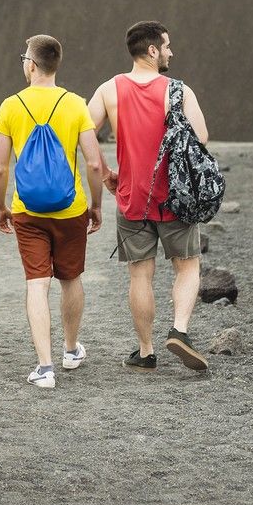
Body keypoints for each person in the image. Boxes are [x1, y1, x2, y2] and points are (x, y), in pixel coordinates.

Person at [88, 21, 210, 373]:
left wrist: (107, 170)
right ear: (153, 50)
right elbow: (201, 137)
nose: (171, 51)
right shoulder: (179, 91)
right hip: (175, 198)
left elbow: (82, 132)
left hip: (131, 199)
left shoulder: (109, 89)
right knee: (187, 268)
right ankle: (180, 332)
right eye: (167, 45)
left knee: (140, 276)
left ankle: (145, 352)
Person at [0, 34, 105, 389]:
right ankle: (71, 351)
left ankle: (44, 367)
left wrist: (1, 206)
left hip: (27, 210)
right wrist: (96, 205)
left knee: (37, 284)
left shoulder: (11, 105)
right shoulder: (75, 104)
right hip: (71, 208)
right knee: (70, 279)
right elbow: (94, 163)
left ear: (31, 64)